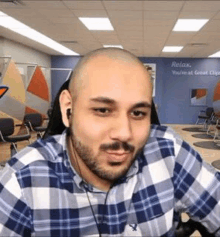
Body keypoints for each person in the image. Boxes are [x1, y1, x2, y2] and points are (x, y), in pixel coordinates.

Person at [0, 48, 220, 237]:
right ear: (68, 110)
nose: (124, 133)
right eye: (102, 110)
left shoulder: (167, 151)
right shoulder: (22, 181)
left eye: (138, 113)